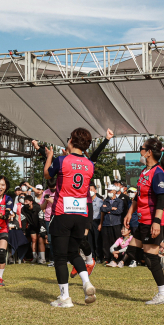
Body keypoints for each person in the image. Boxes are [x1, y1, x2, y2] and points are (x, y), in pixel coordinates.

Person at [44, 127, 97, 308]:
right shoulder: (90, 164)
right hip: (80, 214)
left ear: (72, 140)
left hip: (62, 212)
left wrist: (49, 155)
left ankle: (65, 298)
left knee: (59, 257)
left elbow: (47, 175)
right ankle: (86, 282)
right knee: (73, 253)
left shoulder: (62, 160)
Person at [123, 137, 164, 305]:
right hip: (142, 219)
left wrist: (157, 222)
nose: (140, 151)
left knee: (150, 258)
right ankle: (162, 263)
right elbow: (138, 195)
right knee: (132, 251)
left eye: (142, 148)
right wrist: (130, 212)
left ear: (149, 152)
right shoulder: (145, 170)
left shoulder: (158, 172)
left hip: (153, 220)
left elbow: (161, 199)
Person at [100, 185, 124, 267]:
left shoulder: (119, 201)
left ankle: (117, 258)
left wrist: (109, 210)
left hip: (116, 223)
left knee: (116, 241)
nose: (109, 192)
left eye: (110, 190)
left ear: (114, 191)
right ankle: (107, 258)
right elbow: (102, 209)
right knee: (106, 242)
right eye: (108, 191)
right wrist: (112, 208)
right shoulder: (106, 201)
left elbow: (119, 211)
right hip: (106, 223)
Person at [22, 195, 44, 264]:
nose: (25, 203)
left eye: (26, 202)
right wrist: (23, 230)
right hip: (31, 226)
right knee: (33, 239)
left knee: (40, 240)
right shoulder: (23, 209)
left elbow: (41, 219)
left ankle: (42, 258)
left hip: (40, 225)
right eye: (24, 202)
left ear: (31, 202)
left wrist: (42, 229)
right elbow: (23, 220)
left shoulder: (37, 207)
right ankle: (34, 257)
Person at [40, 180, 56, 267]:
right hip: (48, 218)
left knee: (60, 239)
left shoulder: (60, 190)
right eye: (51, 188)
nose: (52, 190)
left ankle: (63, 259)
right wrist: (46, 201)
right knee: (50, 240)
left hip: (58, 216)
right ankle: (53, 260)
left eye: (53, 188)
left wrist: (52, 200)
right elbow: (41, 207)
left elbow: (61, 204)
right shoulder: (45, 192)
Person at [87, 184, 103, 264]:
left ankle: (99, 257)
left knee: (97, 241)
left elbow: (102, 213)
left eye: (92, 189)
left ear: (95, 191)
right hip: (89, 222)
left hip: (97, 221)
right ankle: (92, 257)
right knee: (90, 241)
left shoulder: (100, 201)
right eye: (89, 189)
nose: (90, 191)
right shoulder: (87, 201)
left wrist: (100, 223)